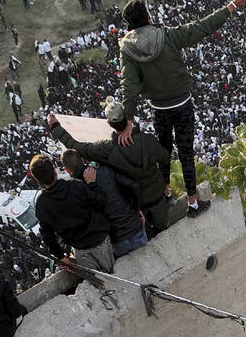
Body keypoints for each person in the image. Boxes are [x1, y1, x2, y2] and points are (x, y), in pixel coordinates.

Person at [118, 0, 246, 217]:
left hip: (159, 108)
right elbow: (202, 27)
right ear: (148, 16)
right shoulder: (167, 35)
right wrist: (230, 7)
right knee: (186, 153)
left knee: (164, 151)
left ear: (129, 25)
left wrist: (128, 120)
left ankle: (166, 191)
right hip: (182, 103)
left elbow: (128, 86)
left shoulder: (127, 49)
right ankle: (192, 203)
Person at [46, 105, 171, 236]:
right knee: (163, 230)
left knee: (147, 237)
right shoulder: (148, 140)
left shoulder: (106, 148)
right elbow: (164, 158)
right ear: (128, 118)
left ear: (109, 124)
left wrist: (56, 127)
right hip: (157, 196)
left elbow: (75, 146)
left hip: (135, 204)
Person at [29, 153, 115, 273]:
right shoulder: (75, 186)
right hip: (99, 240)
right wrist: (92, 184)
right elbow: (101, 202)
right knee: (111, 273)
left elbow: (48, 235)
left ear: (37, 179)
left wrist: (60, 256)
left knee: (97, 279)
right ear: (55, 172)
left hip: (80, 249)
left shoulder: (42, 205)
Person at [60, 147, 148, 257]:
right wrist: (137, 208)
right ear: (82, 160)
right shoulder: (105, 170)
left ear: (67, 170)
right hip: (133, 226)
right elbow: (133, 186)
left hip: (115, 238)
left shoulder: (74, 191)